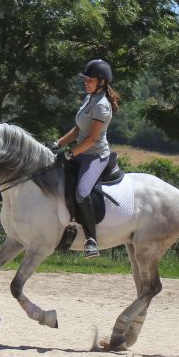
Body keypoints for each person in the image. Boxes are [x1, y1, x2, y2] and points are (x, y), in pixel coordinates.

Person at [53, 59, 120, 258]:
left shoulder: (102, 105)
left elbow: (91, 139)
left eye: (90, 79)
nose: (86, 82)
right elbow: (78, 129)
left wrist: (71, 153)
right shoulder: (88, 99)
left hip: (94, 156)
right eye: (85, 79)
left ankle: (92, 240)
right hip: (80, 152)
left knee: (82, 193)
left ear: (101, 82)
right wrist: (57, 143)